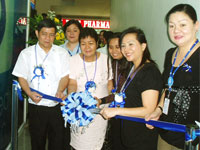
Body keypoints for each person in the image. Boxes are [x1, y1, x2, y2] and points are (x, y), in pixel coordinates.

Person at [145, 4, 200, 150]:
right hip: (166, 131)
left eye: (183, 24)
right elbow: (168, 89)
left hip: (192, 137)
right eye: (171, 26)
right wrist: (158, 110)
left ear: (196, 25)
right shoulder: (170, 54)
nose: (176, 30)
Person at [100, 27, 163, 150]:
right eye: (123, 45)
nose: (126, 50)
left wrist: (116, 111)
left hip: (142, 137)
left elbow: (148, 110)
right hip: (129, 134)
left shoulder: (149, 71)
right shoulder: (132, 68)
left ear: (143, 46)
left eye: (131, 44)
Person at [12, 19, 70, 150]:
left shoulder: (62, 53)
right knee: (37, 142)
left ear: (55, 35)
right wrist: (29, 93)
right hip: (36, 106)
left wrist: (61, 91)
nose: (48, 38)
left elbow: (65, 75)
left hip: (56, 106)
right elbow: (21, 76)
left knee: (57, 142)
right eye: (44, 34)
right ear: (37, 33)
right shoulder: (26, 53)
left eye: (51, 34)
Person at [67, 27, 113, 150]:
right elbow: (72, 83)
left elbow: (110, 84)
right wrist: (72, 98)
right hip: (80, 108)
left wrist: (111, 101)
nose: (87, 47)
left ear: (97, 43)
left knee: (97, 143)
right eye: (83, 44)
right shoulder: (74, 60)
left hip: (100, 109)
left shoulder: (106, 60)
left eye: (91, 43)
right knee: (80, 142)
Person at [99, 32, 132, 150]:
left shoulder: (132, 66)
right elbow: (115, 91)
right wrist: (101, 100)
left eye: (117, 47)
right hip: (116, 111)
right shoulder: (113, 64)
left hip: (130, 114)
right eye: (111, 47)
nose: (113, 51)